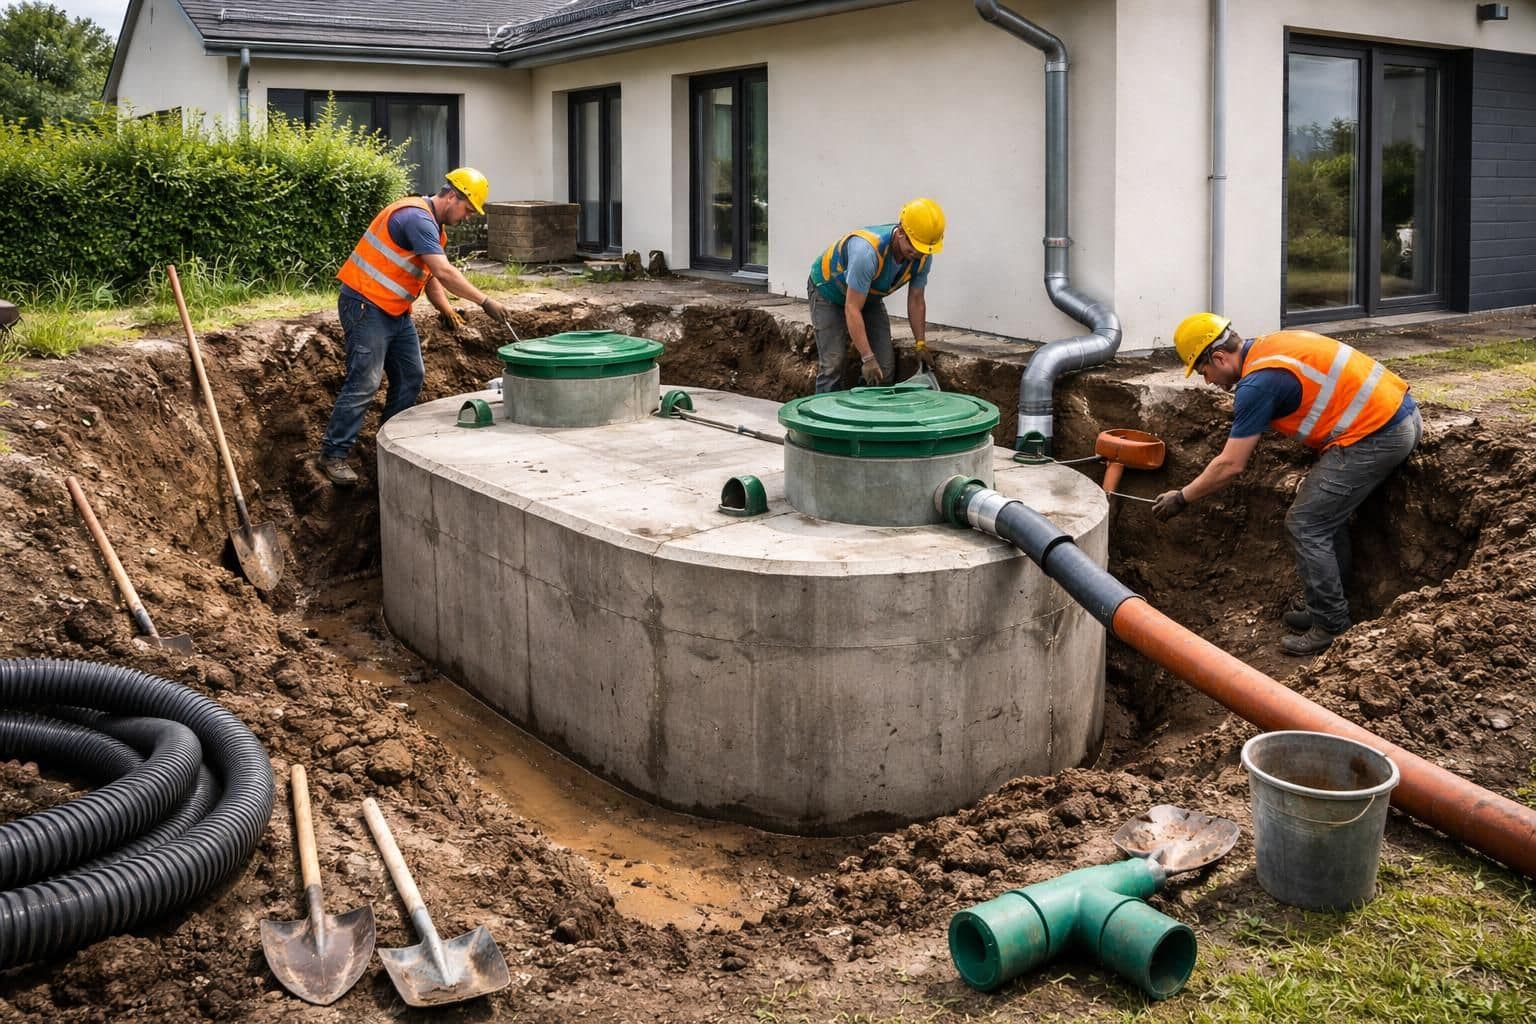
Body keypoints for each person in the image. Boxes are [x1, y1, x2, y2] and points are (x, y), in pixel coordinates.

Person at [1151, 313, 1421, 656]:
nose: (1207, 382)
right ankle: (1326, 605)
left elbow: (1231, 464)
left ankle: (1331, 625)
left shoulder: (1256, 384)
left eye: (1203, 372)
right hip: (1402, 416)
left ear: (1219, 358)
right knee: (1323, 517)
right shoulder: (1268, 346)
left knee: (1306, 524)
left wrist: (1182, 497)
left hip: (1376, 435)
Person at [318, 167, 516, 486]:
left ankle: (388, 442)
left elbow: (430, 277)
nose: (466, 216)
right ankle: (334, 453)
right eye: (467, 209)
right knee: (365, 381)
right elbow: (446, 272)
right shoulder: (416, 218)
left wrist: (446, 309)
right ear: (452, 196)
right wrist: (485, 302)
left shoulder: (434, 229)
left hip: (394, 311)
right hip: (366, 305)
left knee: (412, 375)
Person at [808, 197, 944, 393]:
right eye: (914, 247)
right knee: (833, 364)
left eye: (923, 250)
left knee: (884, 368)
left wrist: (920, 343)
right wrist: (867, 358)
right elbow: (852, 308)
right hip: (828, 292)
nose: (918, 253)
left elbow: (916, 299)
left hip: (867, 296)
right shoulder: (867, 252)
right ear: (901, 233)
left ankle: (866, 417)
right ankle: (822, 419)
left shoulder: (922, 256)